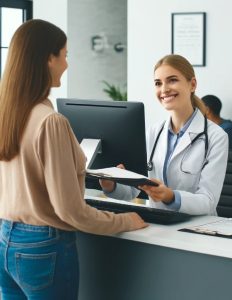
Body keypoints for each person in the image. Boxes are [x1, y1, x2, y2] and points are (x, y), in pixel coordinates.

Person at [0, 19, 146, 299]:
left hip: (6, 237)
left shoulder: (8, 116)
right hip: (43, 245)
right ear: (48, 59)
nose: (67, 64)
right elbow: (70, 211)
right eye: (65, 55)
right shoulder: (50, 122)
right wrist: (125, 221)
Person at [101, 54, 229, 216]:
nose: (164, 89)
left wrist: (170, 196)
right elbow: (134, 192)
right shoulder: (154, 132)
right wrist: (110, 185)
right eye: (158, 83)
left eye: (172, 80)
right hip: (158, 224)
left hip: (197, 229)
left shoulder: (216, 137)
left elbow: (208, 202)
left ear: (192, 84)